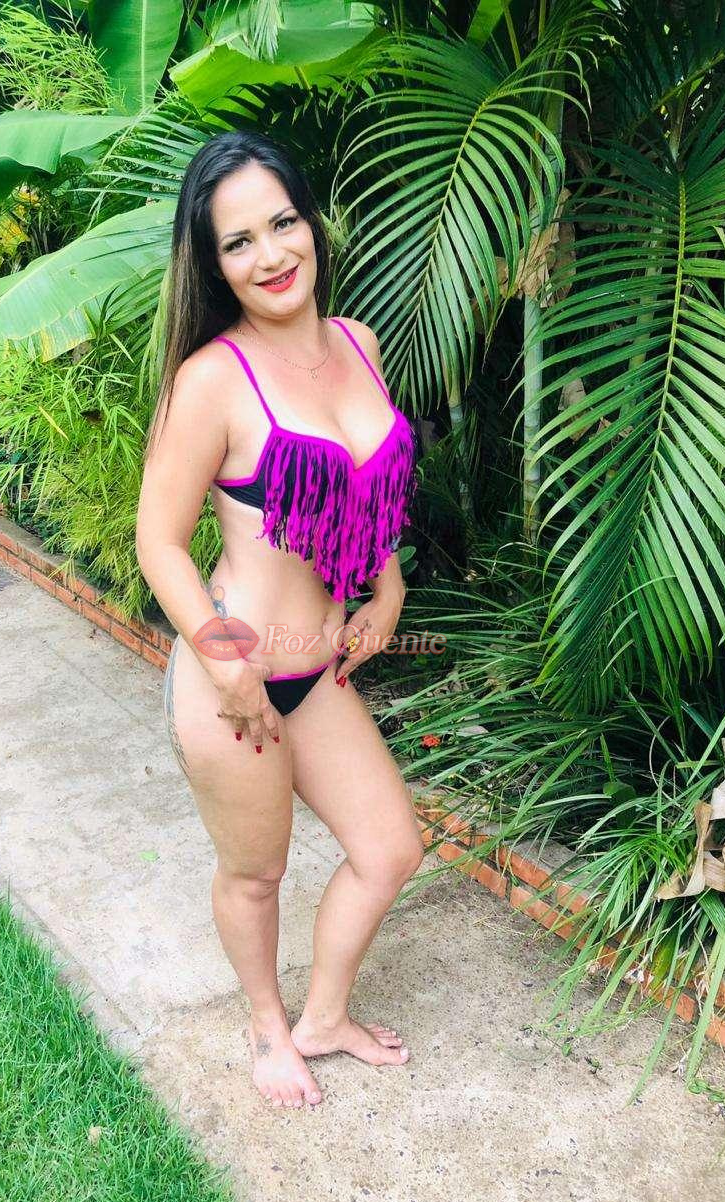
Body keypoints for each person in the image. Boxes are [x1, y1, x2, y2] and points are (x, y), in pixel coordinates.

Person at [135, 130, 423, 1110]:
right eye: (238, 242)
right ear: (213, 265)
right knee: (255, 874)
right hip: (236, 682)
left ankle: (324, 1016)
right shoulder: (212, 380)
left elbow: (364, 490)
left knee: (389, 849)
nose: (269, 255)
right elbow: (159, 543)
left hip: (319, 672)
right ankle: (267, 1025)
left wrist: (385, 587)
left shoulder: (358, 345)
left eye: (282, 223)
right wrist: (224, 662)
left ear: (311, 222)